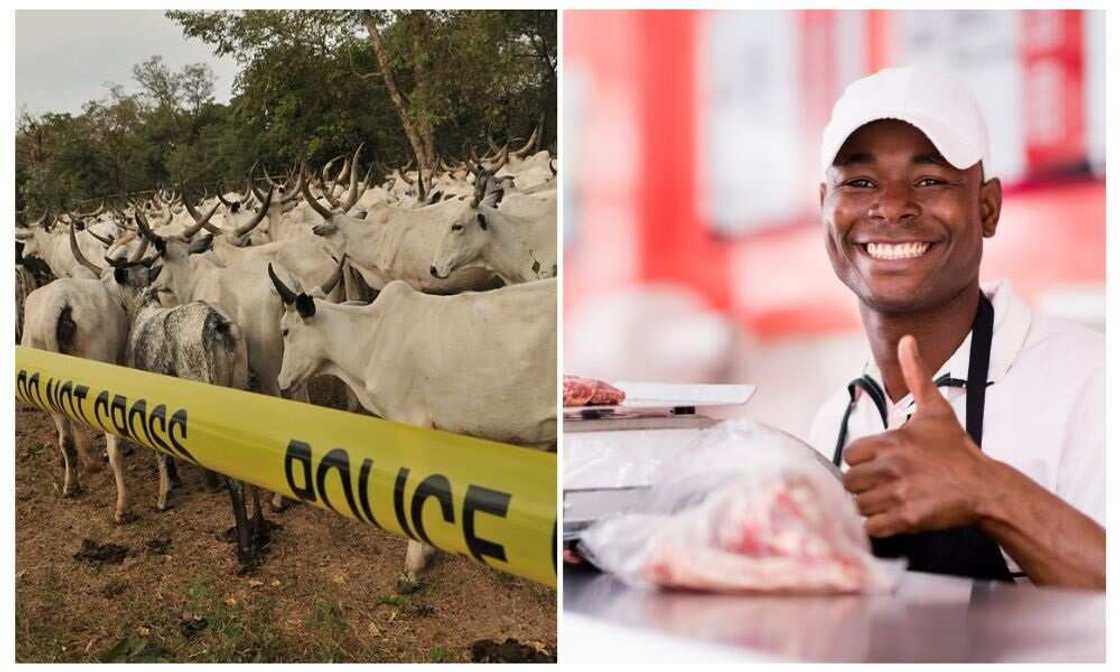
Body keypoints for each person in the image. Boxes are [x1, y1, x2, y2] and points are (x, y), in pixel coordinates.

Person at [807, 66, 1104, 589]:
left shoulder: (1092, 383)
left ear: (987, 208)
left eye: (930, 180)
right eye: (859, 182)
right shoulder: (835, 420)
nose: (893, 207)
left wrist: (986, 490)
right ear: (826, 210)